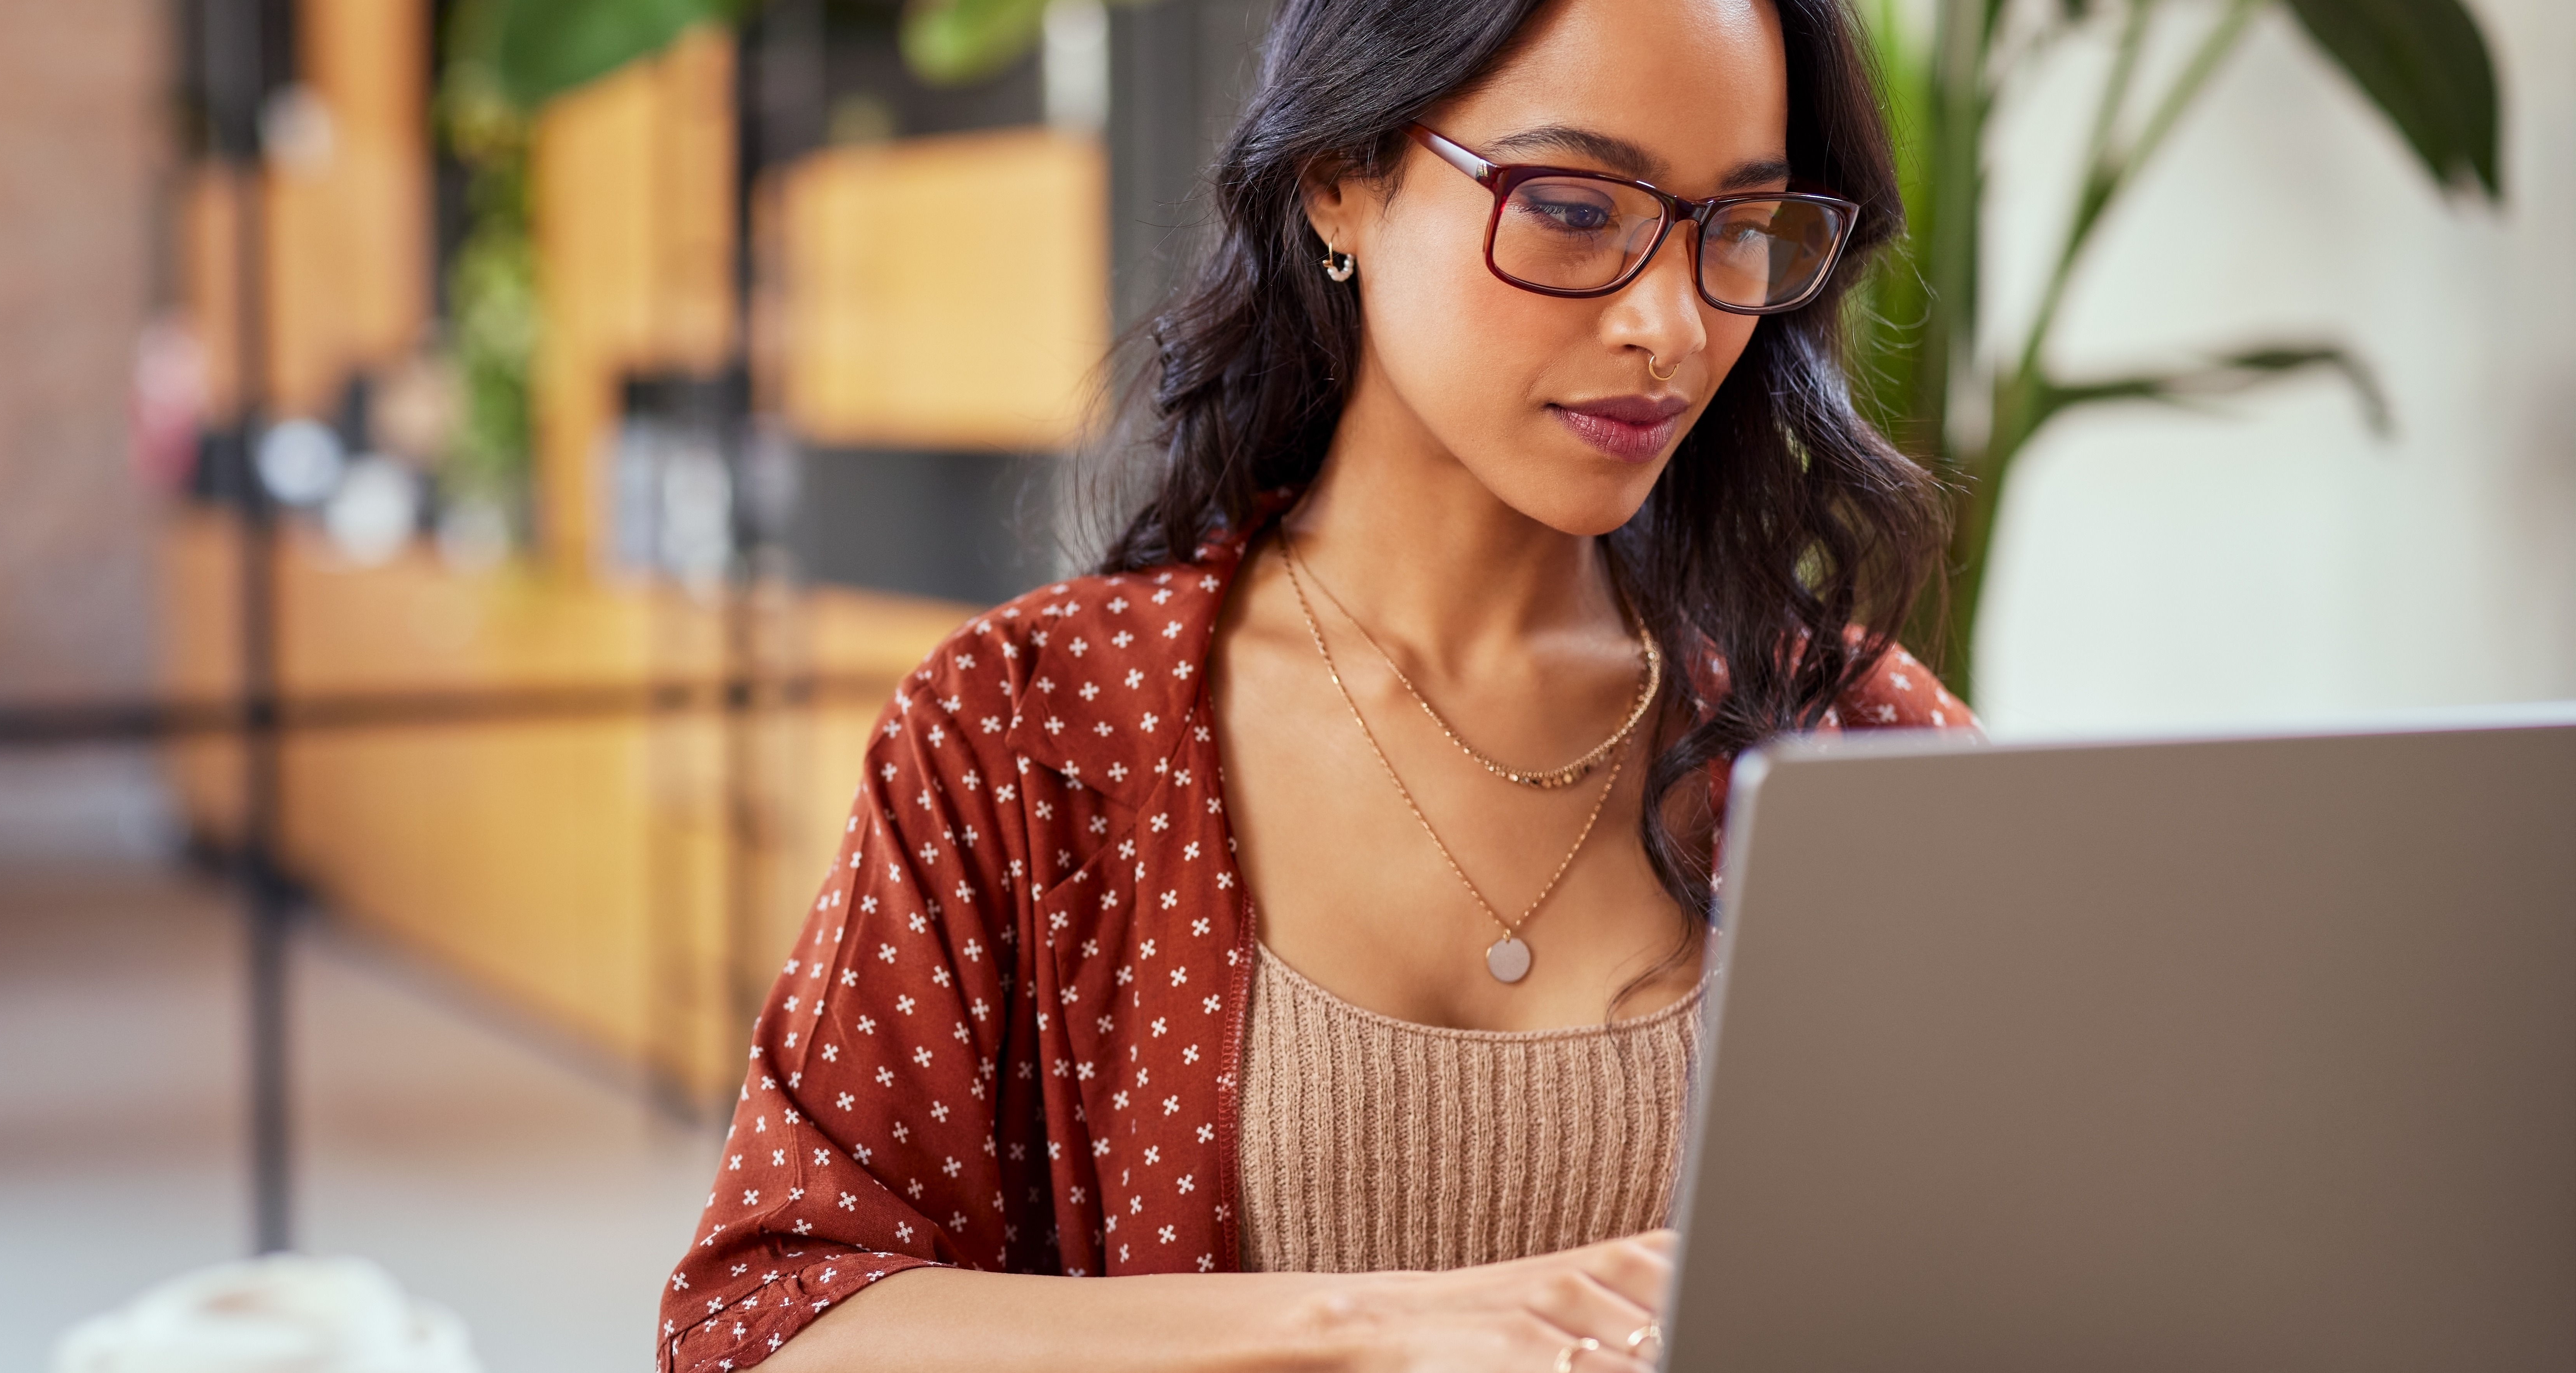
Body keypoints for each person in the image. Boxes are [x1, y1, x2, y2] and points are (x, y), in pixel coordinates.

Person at [659, 0, 1965, 1367]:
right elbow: (765, 1320)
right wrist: (1356, 1327)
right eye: (1576, 210)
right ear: (1341, 182)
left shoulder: (1855, 740)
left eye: (1738, 228)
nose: (1672, 324)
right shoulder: (1028, 734)